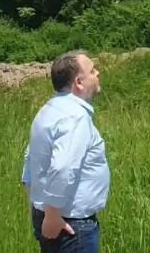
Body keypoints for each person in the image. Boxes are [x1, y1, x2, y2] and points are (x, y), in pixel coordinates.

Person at [20, 50, 109, 253]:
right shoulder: (75, 116)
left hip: (50, 215)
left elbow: (29, 159)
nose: (97, 73)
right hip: (70, 224)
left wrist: (36, 207)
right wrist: (52, 215)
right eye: (92, 71)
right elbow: (63, 167)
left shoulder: (48, 110)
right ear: (79, 82)